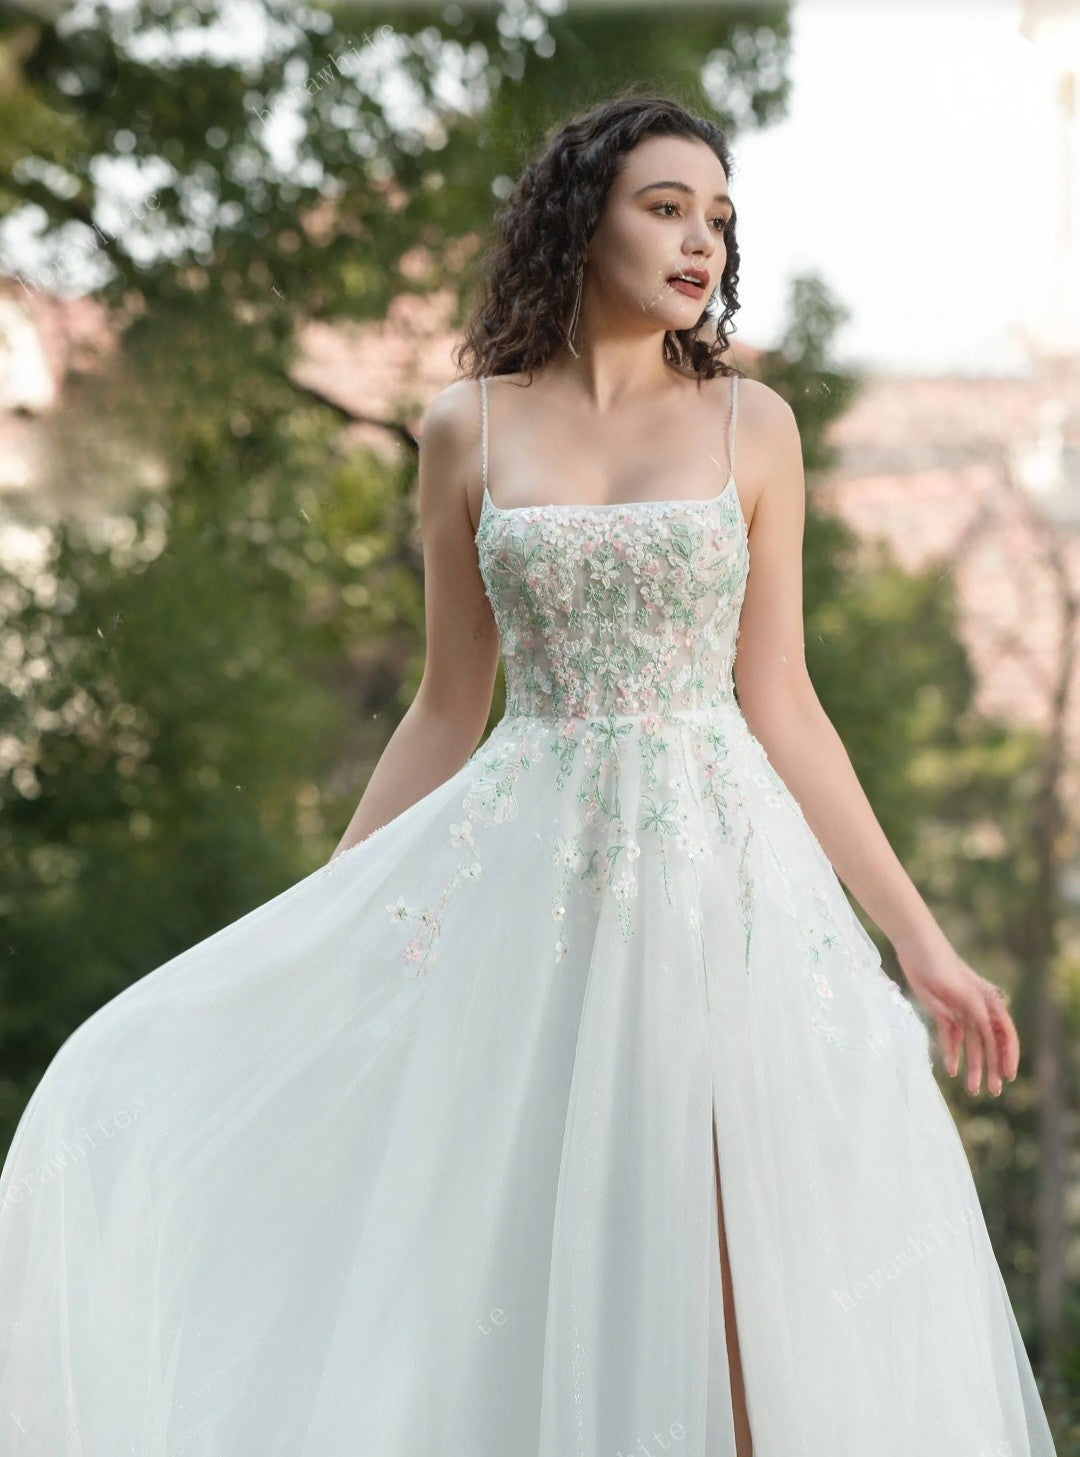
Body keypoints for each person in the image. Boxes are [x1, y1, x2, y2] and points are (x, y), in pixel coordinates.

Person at [0, 92, 1059, 1457]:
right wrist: (327, 923)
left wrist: (919, 941)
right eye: (664, 206)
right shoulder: (469, 429)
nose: (701, 241)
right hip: (537, 894)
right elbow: (449, 706)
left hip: (723, 892)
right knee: (548, 1260)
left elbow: (783, 699)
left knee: (752, 1275)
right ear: (583, 216)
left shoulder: (756, 427)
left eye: (718, 217)